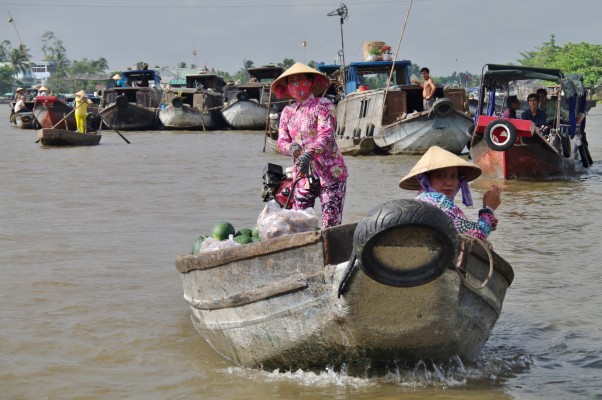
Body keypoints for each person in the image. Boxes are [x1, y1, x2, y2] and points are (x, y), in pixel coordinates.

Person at [271, 62, 348, 228]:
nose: (296, 84)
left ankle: (333, 253)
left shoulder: (323, 105)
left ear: (310, 81)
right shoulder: (287, 112)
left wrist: (308, 154)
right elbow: (281, 142)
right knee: (301, 224)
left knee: (331, 224)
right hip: (302, 177)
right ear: (287, 87)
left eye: (300, 79)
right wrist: (291, 148)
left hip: (330, 172)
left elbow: (326, 136)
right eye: (292, 81)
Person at [398, 146, 501, 242]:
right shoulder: (439, 201)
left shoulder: (420, 200)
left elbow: (461, 231)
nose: (449, 183)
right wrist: (488, 209)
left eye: (454, 176)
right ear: (426, 180)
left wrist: (487, 222)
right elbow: (476, 236)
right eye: (441, 176)